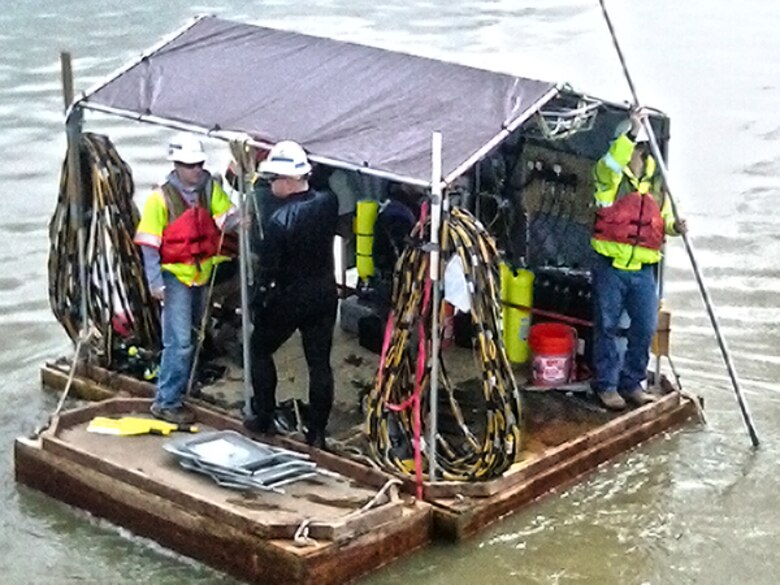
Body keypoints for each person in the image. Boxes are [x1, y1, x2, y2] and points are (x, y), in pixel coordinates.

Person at [135, 132, 236, 424]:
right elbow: (149, 245)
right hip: (175, 277)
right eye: (190, 165)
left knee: (192, 335)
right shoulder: (160, 199)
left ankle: (182, 388)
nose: (196, 170)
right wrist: (155, 283)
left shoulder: (209, 188)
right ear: (177, 165)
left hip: (200, 275)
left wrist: (239, 218)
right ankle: (166, 401)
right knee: (178, 342)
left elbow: (224, 216)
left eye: (199, 164)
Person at [590, 110, 688, 410]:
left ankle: (632, 383)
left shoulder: (660, 185)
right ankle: (606, 385)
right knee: (605, 326)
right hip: (611, 267)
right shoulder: (608, 177)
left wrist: (677, 227)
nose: (630, 151)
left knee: (645, 327)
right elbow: (609, 164)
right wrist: (631, 131)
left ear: (644, 151)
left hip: (643, 271)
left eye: (635, 146)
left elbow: (667, 220)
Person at [245, 140, 339, 449]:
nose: (270, 184)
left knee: (259, 348)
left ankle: (264, 418)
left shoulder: (278, 222)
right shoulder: (329, 202)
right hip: (324, 292)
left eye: (273, 179)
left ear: (287, 180)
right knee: (319, 363)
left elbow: (268, 271)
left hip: (290, 296)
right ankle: (318, 433)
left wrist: (258, 299)